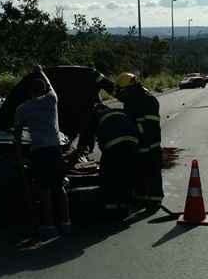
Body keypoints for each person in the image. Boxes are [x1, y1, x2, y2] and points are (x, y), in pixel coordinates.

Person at [15, 73, 71, 239]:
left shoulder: (22, 109)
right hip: (55, 150)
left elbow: (17, 136)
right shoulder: (51, 100)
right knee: (60, 187)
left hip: (39, 152)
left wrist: (19, 158)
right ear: (44, 90)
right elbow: (50, 85)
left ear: (29, 92)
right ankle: (66, 223)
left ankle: (49, 226)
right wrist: (40, 71)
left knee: (44, 190)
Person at [115, 73, 163, 211]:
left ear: (130, 88)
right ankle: (141, 198)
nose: (120, 94)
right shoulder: (132, 98)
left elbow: (151, 126)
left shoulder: (148, 100)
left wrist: (142, 138)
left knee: (152, 171)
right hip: (137, 141)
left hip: (150, 142)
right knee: (139, 171)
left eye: (122, 90)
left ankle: (155, 200)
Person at [79, 103, 139, 215]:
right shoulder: (119, 111)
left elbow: (85, 137)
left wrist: (77, 153)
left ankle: (111, 206)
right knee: (126, 173)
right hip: (132, 141)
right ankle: (126, 204)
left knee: (108, 174)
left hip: (113, 144)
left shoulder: (95, 116)